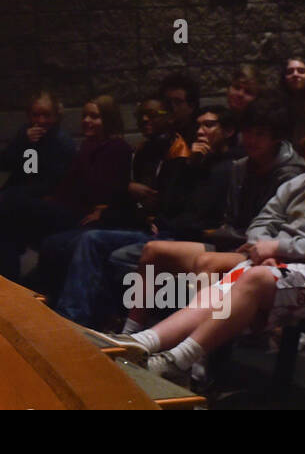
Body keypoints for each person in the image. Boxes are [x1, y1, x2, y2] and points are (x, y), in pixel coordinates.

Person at [98, 114, 305, 380]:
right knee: (224, 286)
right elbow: (263, 220)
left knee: (249, 277)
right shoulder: (302, 182)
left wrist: (279, 247)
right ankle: (143, 342)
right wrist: (264, 246)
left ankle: (179, 360)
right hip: (279, 266)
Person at [115, 95, 305, 334]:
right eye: (248, 132)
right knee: (153, 250)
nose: (251, 140)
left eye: (259, 134)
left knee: (207, 263)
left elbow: (286, 227)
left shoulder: (293, 174)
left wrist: (250, 243)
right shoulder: (241, 166)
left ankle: (197, 351)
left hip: (266, 252)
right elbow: (229, 218)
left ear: (276, 137)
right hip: (234, 242)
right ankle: (130, 334)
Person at [51, 106, 240, 329]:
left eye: (208, 125)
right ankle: (72, 319)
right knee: (90, 239)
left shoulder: (231, 167)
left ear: (227, 131)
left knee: (118, 257)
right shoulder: (189, 162)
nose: (200, 131)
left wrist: (165, 221)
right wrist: (191, 166)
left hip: (189, 238)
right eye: (198, 125)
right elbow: (168, 202)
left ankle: (114, 323)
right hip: (158, 229)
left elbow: (204, 214)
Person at [0, 97, 132, 283]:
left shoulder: (99, 146)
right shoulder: (83, 145)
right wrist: (24, 143)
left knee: (11, 206)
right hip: (49, 201)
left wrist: (103, 209)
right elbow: (4, 163)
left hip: (76, 212)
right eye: (85, 116)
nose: (87, 121)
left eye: (94, 117)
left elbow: (102, 186)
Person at [0, 90, 75, 227]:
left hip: (39, 201)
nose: (41, 121)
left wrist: (9, 197)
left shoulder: (62, 142)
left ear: (56, 117)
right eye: (36, 115)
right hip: (15, 194)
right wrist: (23, 142)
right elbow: (2, 164)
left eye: (46, 115)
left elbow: (49, 184)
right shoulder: (25, 134)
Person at [158, 73, 201, 145]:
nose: (172, 107)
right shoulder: (161, 134)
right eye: (168, 102)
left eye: (178, 102)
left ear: (191, 106)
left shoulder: (200, 135)